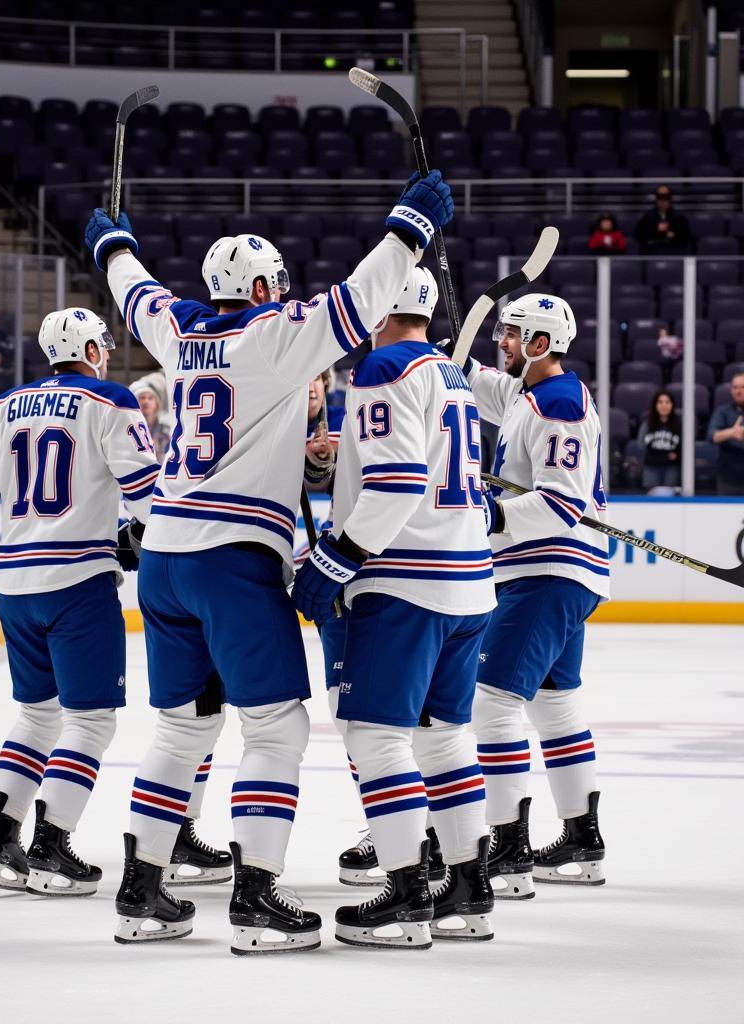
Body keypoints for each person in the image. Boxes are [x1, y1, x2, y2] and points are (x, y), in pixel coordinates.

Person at [85, 167, 454, 953]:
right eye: (276, 281)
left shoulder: (180, 331)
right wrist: (408, 229)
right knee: (277, 728)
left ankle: (141, 890)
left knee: (182, 729)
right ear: (258, 284)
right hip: (232, 560)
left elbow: (136, 291)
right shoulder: (277, 333)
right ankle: (256, 898)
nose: (285, 289)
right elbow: (360, 299)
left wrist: (113, 244)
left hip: (165, 556)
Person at [0, 307, 161, 895]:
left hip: (16, 586)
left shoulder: (7, 405)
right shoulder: (111, 401)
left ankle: (2, 842)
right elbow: (147, 495)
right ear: (94, 349)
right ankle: (52, 847)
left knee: (37, 716)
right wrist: (148, 536)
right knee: (90, 722)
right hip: (78, 586)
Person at [293, 265, 496, 948]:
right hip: (468, 582)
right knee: (443, 739)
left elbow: (400, 480)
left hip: (406, 583)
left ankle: (407, 895)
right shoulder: (451, 374)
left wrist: (335, 558)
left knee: (376, 739)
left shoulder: (382, 367)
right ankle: (468, 889)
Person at [466, 293, 608, 899]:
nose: (503, 340)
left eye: (513, 333)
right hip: (557, 574)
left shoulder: (560, 402)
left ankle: (508, 848)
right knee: (554, 705)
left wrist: (488, 516)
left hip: (546, 572)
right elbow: (476, 383)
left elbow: (559, 503)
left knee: (492, 704)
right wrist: (459, 345)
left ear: (542, 344)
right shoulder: (531, 394)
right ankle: (582, 838)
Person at [707, 372, 744, 495]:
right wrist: (731, 432)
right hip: (728, 477)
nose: (739, 391)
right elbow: (712, 436)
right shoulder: (722, 411)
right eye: (735, 387)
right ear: (731, 391)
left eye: (743, 387)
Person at [638, 390, 681, 491]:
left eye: (667, 402)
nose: (664, 405)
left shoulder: (679, 425)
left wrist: (677, 454)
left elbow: (684, 447)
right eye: (660, 402)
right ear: (655, 405)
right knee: (651, 499)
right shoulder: (647, 424)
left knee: (671, 498)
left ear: (672, 405)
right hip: (651, 467)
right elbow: (641, 445)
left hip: (672, 468)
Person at [634, 185, 692, 255]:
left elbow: (686, 237)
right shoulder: (647, 217)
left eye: (666, 197)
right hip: (653, 252)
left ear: (670, 199)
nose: (663, 201)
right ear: (656, 199)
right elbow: (639, 236)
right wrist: (655, 229)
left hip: (674, 252)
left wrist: (674, 235)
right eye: (660, 197)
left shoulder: (679, 217)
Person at [129, 372, 171, 463]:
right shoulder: (129, 429)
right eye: (142, 397)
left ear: (157, 404)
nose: (146, 401)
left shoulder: (167, 431)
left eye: (150, 398)